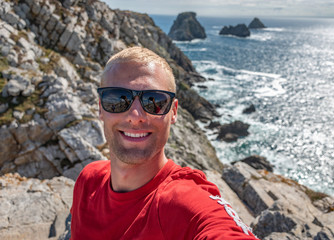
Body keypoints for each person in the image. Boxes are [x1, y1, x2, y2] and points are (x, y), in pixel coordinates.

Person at [70, 47, 259, 240]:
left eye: (154, 101)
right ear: (101, 108)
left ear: (174, 111)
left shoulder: (181, 202)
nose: (135, 117)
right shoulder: (88, 181)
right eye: (118, 99)